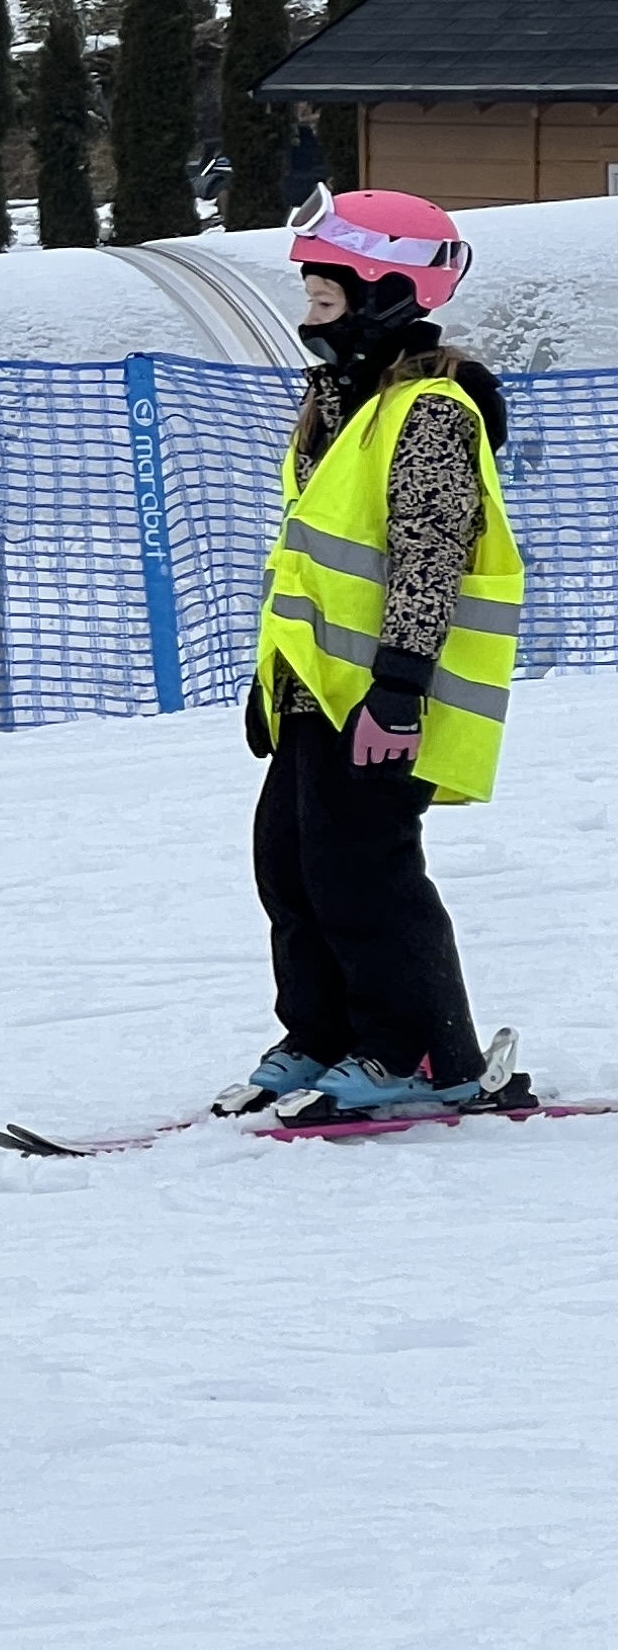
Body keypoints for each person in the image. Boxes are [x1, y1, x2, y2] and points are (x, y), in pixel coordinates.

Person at [231, 188, 527, 1124]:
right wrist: (274, 681)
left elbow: (430, 558)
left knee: (364, 874)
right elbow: (313, 561)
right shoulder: (337, 402)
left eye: (324, 300)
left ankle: (422, 1052)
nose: (308, 317)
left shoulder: (430, 413)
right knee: (291, 866)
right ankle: (323, 1034)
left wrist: (399, 688)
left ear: (387, 297)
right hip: (317, 687)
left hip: (386, 690)